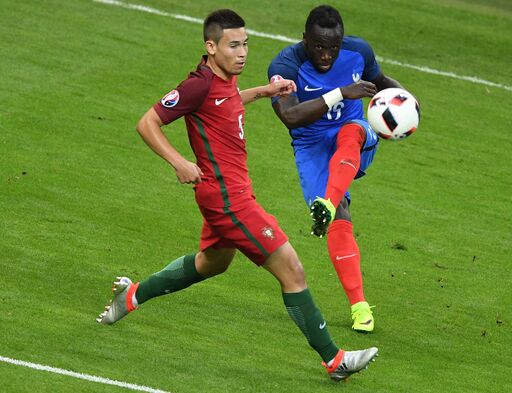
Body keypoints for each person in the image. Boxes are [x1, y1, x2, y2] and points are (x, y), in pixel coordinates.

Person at [96, 9, 378, 381]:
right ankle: (335, 359)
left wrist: (262, 91)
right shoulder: (196, 85)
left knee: (211, 263)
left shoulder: (223, 79)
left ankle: (131, 296)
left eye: (245, 44)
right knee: (292, 270)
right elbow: (146, 123)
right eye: (233, 45)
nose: (242, 52)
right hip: (229, 201)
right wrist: (179, 162)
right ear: (210, 47)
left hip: (228, 195)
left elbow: (223, 103)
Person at [268, 5, 409, 333]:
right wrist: (340, 93)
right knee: (341, 218)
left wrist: (406, 102)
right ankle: (360, 309)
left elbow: (383, 82)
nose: (327, 55)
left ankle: (327, 202)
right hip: (311, 146)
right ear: (304, 39)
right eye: (318, 46)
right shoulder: (285, 65)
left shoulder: (359, 52)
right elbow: (290, 116)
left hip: (354, 134)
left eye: (333, 47)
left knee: (353, 131)